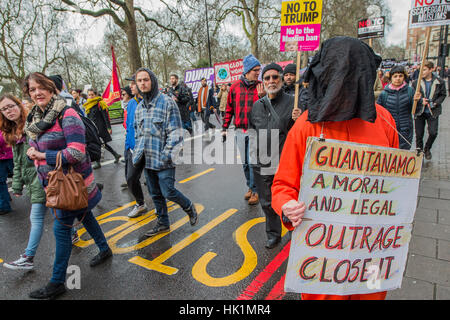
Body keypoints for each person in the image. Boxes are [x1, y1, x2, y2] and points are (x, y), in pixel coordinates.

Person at [271, 37, 398, 300]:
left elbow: (396, 186)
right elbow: (283, 185)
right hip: (324, 253)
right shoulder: (307, 125)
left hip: (371, 252)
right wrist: (286, 206)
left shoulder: (385, 120)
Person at [22, 72, 112, 299]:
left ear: (51, 89)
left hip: (71, 185)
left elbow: (76, 152)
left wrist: (41, 155)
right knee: (86, 215)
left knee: (61, 229)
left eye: (41, 87)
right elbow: (32, 146)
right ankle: (104, 248)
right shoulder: (34, 117)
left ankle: (57, 281)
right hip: (54, 185)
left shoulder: (67, 113)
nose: (37, 92)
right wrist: (33, 154)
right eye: (32, 89)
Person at [133, 68, 198, 237]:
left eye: (145, 80)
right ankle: (163, 222)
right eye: (139, 81)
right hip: (147, 160)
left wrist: (165, 156)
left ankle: (189, 206)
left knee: (168, 191)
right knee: (155, 194)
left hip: (164, 159)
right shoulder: (139, 107)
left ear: (152, 81)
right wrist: (137, 155)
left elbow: (176, 134)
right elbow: (137, 133)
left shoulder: (167, 102)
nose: (142, 83)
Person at [249, 63, 295, 249]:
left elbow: (302, 133)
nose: (271, 81)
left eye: (275, 77)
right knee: (267, 203)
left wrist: (298, 119)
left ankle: (295, 235)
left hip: (285, 163)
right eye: (267, 78)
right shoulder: (257, 106)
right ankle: (273, 234)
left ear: (281, 78)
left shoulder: (294, 102)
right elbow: (253, 132)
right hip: (263, 163)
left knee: (290, 203)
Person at [0, 94, 48, 269]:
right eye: (4, 109)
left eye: (11, 106)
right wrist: (18, 185)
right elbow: (17, 162)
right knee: (67, 215)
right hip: (33, 180)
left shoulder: (32, 124)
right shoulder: (12, 132)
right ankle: (101, 244)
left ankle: (28, 257)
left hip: (42, 178)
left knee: (35, 218)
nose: (8, 111)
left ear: (19, 106)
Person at [222, 54, 265, 206]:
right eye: (255, 70)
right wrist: (224, 128)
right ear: (247, 71)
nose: (258, 73)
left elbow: (267, 109)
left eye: (259, 70)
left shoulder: (261, 86)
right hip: (240, 131)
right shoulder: (234, 87)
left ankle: (255, 191)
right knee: (245, 163)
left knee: (253, 162)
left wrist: (262, 97)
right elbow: (229, 109)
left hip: (255, 131)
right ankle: (250, 186)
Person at [123, 74, 148, 218]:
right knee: (131, 178)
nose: (131, 86)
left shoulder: (149, 101)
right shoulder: (132, 103)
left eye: (134, 83)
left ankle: (160, 206)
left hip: (147, 148)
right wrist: (127, 147)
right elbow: (129, 127)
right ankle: (141, 203)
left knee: (153, 181)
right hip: (132, 148)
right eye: (132, 83)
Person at [412, 60, 447, 160]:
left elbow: (443, 95)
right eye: (420, 70)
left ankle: (427, 148)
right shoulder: (416, 83)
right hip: (420, 111)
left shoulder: (440, 82)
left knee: (433, 132)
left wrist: (435, 102)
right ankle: (419, 151)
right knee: (419, 134)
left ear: (431, 69)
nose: (422, 72)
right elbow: (412, 95)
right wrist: (419, 100)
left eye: (424, 70)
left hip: (433, 111)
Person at [377, 65, 415, 150]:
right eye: (395, 76)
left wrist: (418, 101)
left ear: (404, 77)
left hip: (406, 129)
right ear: (391, 78)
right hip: (390, 129)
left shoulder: (410, 91)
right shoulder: (384, 94)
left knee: (403, 153)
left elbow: (416, 110)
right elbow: (379, 113)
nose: (398, 78)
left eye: (400, 76)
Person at [84, 89, 121, 169]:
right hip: (92, 128)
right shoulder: (87, 105)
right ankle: (115, 155)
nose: (90, 96)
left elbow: (105, 116)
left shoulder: (100, 103)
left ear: (96, 95)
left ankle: (99, 162)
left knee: (100, 143)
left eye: (92, 95)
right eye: (89, 95)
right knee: (99, 144)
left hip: (100, 127)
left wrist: (108, 127)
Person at [0, 128, 13, 215]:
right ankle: (6, 199)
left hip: (6, 157)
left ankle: (4, 206)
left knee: (1, 182)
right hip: (8, 155)